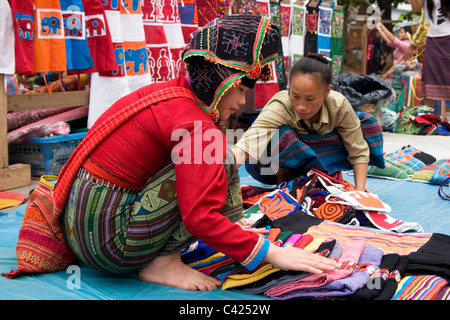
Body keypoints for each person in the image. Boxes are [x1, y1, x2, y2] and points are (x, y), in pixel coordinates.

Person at [59, 15, 337, 292]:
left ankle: (229, 228)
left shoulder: (171, 94)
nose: (241, 102)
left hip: (81, 228)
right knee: (213, 161)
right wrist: (272, 253)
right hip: (111, 246)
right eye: (239, 89)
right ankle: (163, 262)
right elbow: (199, 217)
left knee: (219, 158)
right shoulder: (196, 127)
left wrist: (235, 231)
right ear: (218, 81)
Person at [233, 53, 385, 191]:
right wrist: (217, 175)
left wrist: (359, 192)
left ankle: (326, 175)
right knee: (279, 134)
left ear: (327, 92)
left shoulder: (338, 104)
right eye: (295, 96)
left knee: (367, 124)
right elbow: (247, 144)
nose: (301, 106)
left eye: (310, 99)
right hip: (277, 166)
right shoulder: (281, 105)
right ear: (289, 89)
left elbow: (358, 150)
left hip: (323, 154)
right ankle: (285, 183)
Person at [409, 0, 450, 115]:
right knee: (429, 79)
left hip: (448, 37)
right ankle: (429, 120)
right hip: (433, 38)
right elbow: (415, 8)